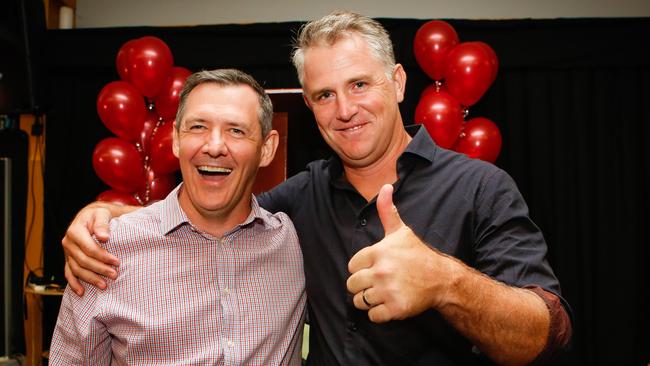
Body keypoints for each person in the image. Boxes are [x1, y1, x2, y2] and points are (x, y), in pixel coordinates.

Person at [61, 11, 572, 365]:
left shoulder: (481, 187)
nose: (344, 110)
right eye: (324, 94)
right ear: (309, 106)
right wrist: (104, 214)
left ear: (396, 82)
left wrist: (445, 282)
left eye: (359, 85)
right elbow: (215, 209)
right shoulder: (297, 201)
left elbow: (547, 335)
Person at [50, 69, 306, 365]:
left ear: (267, 149)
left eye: (236, 130)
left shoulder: (292, 242)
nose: (214, 146)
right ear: (175, 140)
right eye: (198, 127)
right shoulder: (105, 253)